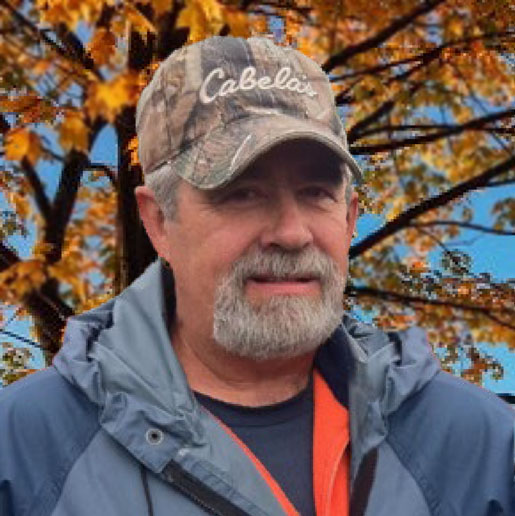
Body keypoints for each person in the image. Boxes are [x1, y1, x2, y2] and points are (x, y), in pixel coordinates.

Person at [0, 36, 513, 516]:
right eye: (241, 193)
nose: (291, 233)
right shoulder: (25, 450)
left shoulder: (477, 445)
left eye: (316, 193)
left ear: (350, 217)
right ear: (158, 221)